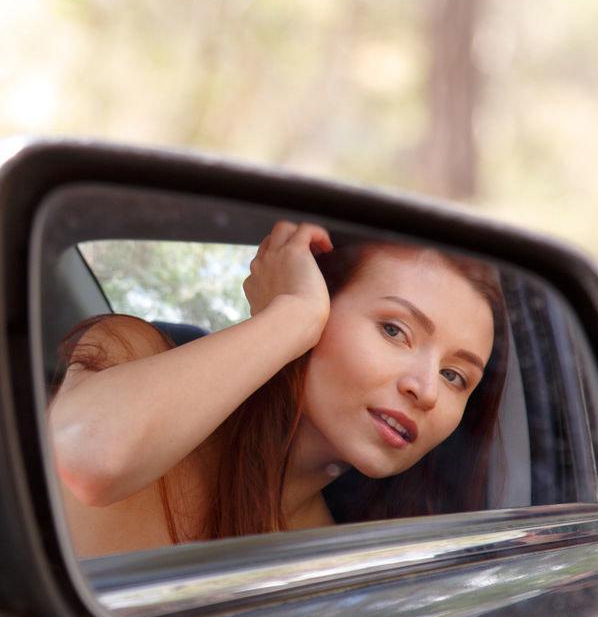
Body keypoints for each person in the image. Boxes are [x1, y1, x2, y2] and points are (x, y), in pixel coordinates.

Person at [48, 221, 509, 558]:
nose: (426, 390)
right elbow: (87, 458)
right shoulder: (131, 348)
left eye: (455, 376)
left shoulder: (333, 559)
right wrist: (293, 316)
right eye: (394, 330)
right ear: (321, 302)